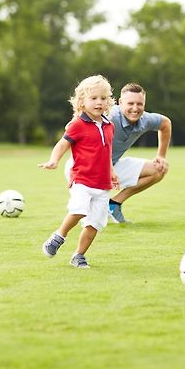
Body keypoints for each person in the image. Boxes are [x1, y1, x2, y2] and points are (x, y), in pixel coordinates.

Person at [38, 75, 119, 268]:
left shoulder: (109, 125)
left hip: (102, 185)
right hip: (82, 180)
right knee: (79, 210)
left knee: (95, 224)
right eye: (94, 98)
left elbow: (106, 152)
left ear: (109, 101)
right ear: (82, 101)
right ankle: (59, 236)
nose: (99, 102)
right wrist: (54, 160)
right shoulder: (77, 125)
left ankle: (79, 256)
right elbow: (62, 144)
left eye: (103, 98)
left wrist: (112, 172)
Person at [107, 83, 171, 223]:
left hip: (112, 167)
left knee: (158, 170)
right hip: (85, 169)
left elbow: (165, 124)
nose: (135, 108)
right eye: (130, 103)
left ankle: (113, 204)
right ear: (120, 102)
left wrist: (161, 156)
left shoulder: (145, 119)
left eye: (139, 104)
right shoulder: (109, 116)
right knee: (90, 220)